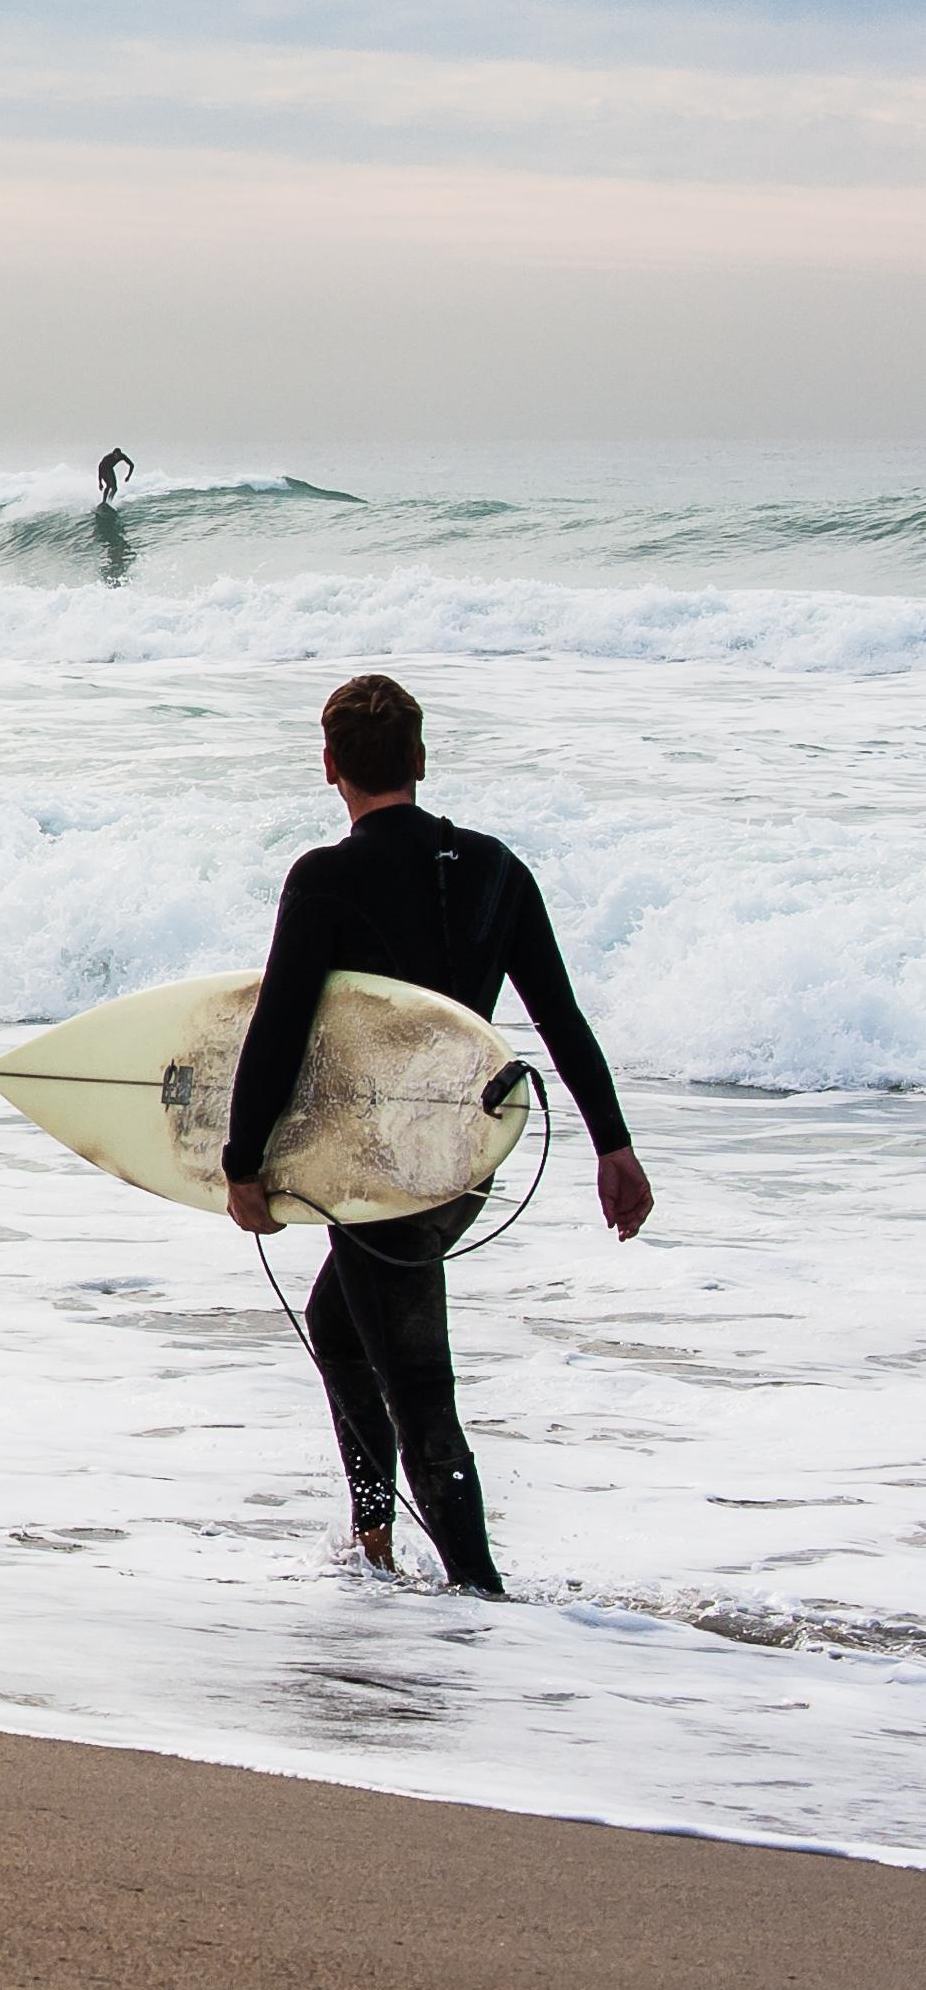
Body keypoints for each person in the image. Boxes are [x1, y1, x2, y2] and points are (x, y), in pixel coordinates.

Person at [222, 675, 654, 1593]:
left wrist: (243, 1160)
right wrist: (614, 1147)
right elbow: (562, 1020)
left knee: (419, 1387)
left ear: (330, 766)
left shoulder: (326, 878)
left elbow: (281, 1025)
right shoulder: (498, 870)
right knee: (340, 1326)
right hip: (467, 1160)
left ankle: (477, 1596)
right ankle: (373, 1548)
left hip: (376, 1165)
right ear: (419, 760)